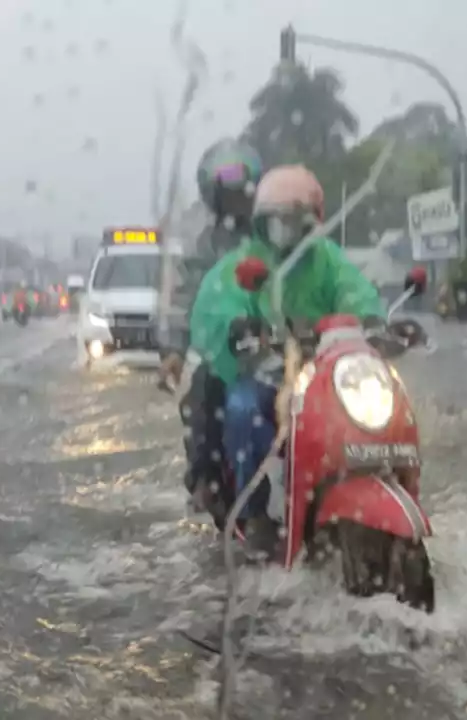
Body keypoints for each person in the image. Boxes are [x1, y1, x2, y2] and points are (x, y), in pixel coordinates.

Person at [187, 164, 404, 552]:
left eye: (294, 220)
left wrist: (375, 323)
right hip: (266, 374)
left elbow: (358, 294)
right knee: (243, 409)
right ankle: (254, 516)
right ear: (261, 223)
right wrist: (239, 327)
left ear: (312, 222)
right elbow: (215, 305)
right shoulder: (243, 264)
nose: (285, 230)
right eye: (276, 221)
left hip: (324, 373)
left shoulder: (329, 262)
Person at [164, 139, 265, 512]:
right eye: (230, 194)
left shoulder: (274, 236)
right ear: (215, 198)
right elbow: (184, 299)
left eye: (244, 193)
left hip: (278, 343)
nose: (239, 201)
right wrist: (175, 349)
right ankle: (204, 479)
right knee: (200, 388)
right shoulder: (205, 248)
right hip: (227, 352)